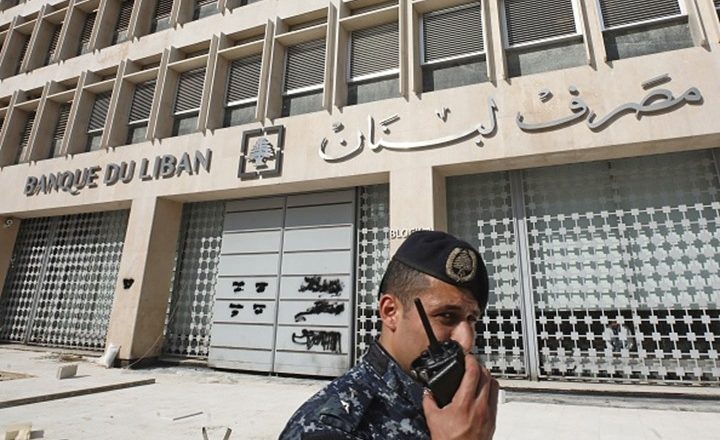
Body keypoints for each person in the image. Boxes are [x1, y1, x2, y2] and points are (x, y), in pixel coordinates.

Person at [279, 230, 499, 440]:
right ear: (390, 312)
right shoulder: (332, 428)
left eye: (472, 319)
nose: (466, 340)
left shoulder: (455, 402)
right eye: (446, 316)